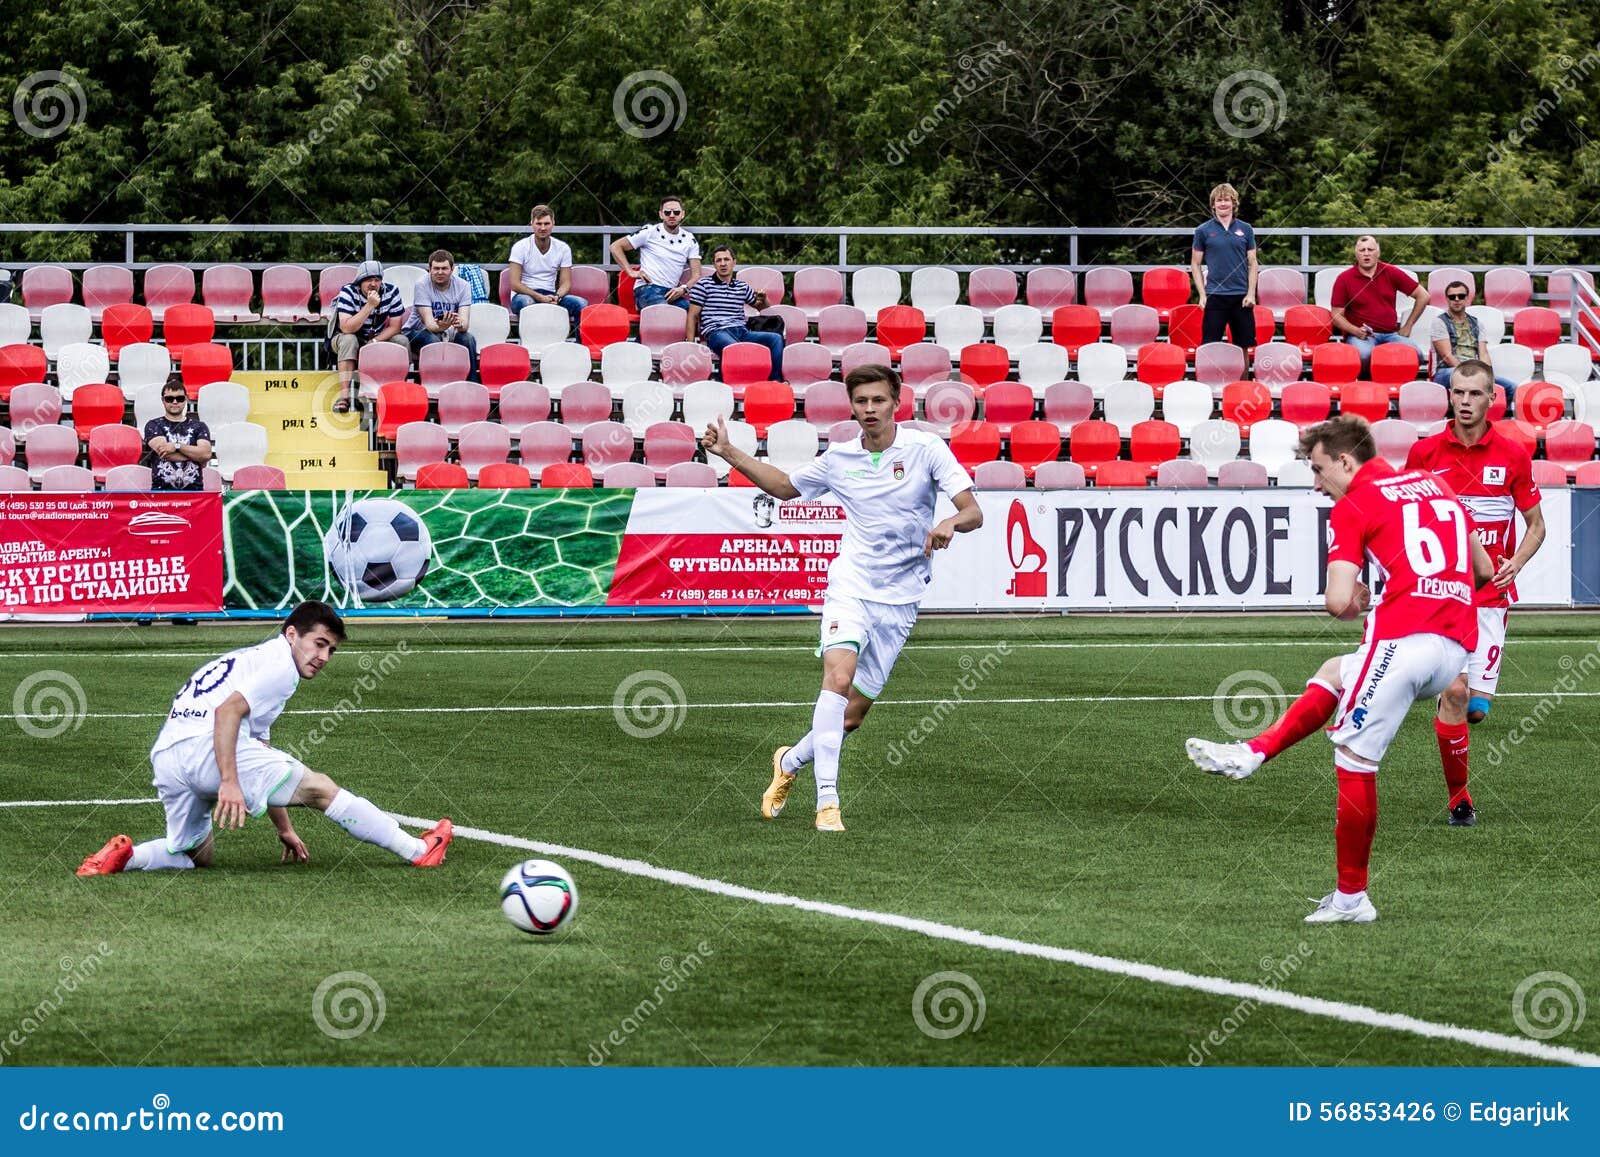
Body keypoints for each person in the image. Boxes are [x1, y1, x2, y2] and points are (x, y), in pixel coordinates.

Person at [1185, 415, 1492, 923]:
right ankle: (1254, 752)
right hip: (1456, 649)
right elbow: (1481, 570)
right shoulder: (1436, 483)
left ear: (1346, 461)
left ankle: (1352, 899)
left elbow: (1336, 603)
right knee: (1335, 670)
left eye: (1319, 469)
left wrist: (1360, 600)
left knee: (1354, 761)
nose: (1316, 482)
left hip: (1403, 641)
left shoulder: (1354, 504)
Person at [700, 364, 982, 832]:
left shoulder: (927, 449)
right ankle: (827, 802)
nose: (869, 409)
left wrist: (951, 522)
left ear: (897, 402)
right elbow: (786, 488)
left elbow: (973, 511)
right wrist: (729, 450)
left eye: (878, 400)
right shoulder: (839, 459)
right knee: (837, 675)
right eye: (861, 402)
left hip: (901, 599)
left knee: (850, 718)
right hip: (851, 586)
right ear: (852, 407)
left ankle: (789, 761)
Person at [76, 601, 454, 876]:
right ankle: (419, 850)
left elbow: (260, 753)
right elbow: (227, 714)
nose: (324, 656)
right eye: (319, 643)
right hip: (206, 748)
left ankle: (127, 858)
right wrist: (228, 783)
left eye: (331, 650)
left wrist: (284, 828)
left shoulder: (254, 660)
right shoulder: (280, 669)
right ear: (292, 634)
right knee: (320, 789)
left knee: (195, 853)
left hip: (168, 756)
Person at [1406, 360, 1545, 825]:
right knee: (1456, 693)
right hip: (1443, 595)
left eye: (1474, 394)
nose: (1464, 401)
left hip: (1490, 602)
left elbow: (1536, 526)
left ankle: (1459, 712)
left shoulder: (1513, 455)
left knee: (1477, 711)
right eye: (1457, 393)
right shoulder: (1424, 453)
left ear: (1491, 399)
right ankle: (1459, 799)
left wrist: (1516, 562)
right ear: (1449, 396)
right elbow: (1405, 521)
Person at [1330, 236, 1430, 377]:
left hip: (1390, 334)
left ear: (1378, 252)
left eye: (1370, 249)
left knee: (1416, 354)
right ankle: (1370, 387)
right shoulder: (1344, 279)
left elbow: (1424, 296)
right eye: (1362, 250)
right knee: (1364, 356)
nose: (1366, 253)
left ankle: (1395, 386)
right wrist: (1355, 331)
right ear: (1356, 253)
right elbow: (1335, 315)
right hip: (1362, 336)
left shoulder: (1390, 272)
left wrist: (1408, 325)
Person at [686, 244, 783, 381]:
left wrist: (764, 298)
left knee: (776, 339)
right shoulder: (703, 285)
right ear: (714, 264)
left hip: (742, 331)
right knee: (735, 348)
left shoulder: (742, 286)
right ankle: (724, 383)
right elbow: (692, 315)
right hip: (716, 332)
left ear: (734, 262)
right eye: (718, 261)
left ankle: (775, 381)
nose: (723, 264)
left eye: (726, 259)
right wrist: (690, 344)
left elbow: (762, 309)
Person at [329, 260, 407, 412]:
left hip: (376, 336)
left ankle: (397, 391)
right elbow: (346, 327)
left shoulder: (391, 291)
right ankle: (344, 397)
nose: (373, 284)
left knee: (401, 340)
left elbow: (395, 326)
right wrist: (369, 305)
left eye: (377, 280)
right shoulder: (348, 291)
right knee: (349, 340)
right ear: (360, 281)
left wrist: (374, 341)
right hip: (346, 336)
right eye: (368, 280)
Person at [1189, 183, 1258, 350]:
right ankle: (1210, 377)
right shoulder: (1203, 230)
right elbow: (1195, 263)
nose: (1223, 204)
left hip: (1241, 296)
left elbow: (1253, 262)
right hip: (1215, 295)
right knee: (1210, 346)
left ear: (1233, 203)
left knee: (1243, 347)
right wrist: (1202, 294)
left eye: (1226, 200)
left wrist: (1251, 294)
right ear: (1213, 204)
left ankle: (1242, 378)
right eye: (1219, 200)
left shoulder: (1246, 229)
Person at [610, 196, 702, 310]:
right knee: (663, 312)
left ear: (682, 214)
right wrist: (630, 272)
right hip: (647, 289)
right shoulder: (649, 232)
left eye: (676, 212)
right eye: (667, 212)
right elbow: (615, 247)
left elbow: (697, 275)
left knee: (693, 313)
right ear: (661, 214)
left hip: (671, 292)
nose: (672, 215)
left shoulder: (690, 239)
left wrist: (683, 288)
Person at [1429, 282, 1518, 399]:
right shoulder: (1439, 322)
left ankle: (1494, 416)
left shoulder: (1477, 323)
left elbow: (1483, 354)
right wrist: (1470, 375)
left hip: (1475, 371)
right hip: (1447, 372)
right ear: (1447, 299)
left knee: (1511, 387)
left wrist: (1488, 375)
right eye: (1452, 297)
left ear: (1467, 298)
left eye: (1461, 296)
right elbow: (1447, 356)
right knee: (1462, 378)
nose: (1456, 299)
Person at [508, 204, 587, 336]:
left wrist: (556, 296)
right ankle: (532, 347)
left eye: (546, 223)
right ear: (532, 223)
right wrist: (540, 297)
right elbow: (515, 284)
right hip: (524, 295)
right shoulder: (520, 247)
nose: (543, 228)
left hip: (551, 294)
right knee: (528, 304)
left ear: (553, 224)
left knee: (581, 304)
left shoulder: (563, 248)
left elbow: (566, 283)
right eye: (539, 223)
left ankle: (580, 349)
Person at [406, 249, 479, 382]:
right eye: (436, 268)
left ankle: (471, 386)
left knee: (468, 338)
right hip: (417, 332)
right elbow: (430, 325)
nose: (440, 272)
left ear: (452, 269)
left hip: (446, 331)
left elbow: (464, 325)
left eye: (444, 268)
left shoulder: (464, 286)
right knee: (433, 339)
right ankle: (433, 385)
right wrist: (443, 326)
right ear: (429, 269)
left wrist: (458, 324)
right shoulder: (422, 285)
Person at [142, 374, 213, 491]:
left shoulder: (199, 426)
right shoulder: (153, 425)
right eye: (170, 398)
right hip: (162, 494)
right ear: (163, 400)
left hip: (195, 494)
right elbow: (166, 454)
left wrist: (176, 446)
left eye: (179, 398)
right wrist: (196, 456)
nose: (175, 402)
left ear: (186, 399)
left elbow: (206, 454)